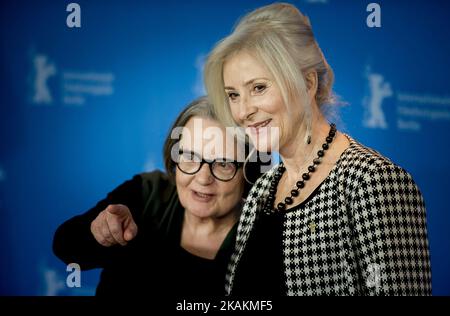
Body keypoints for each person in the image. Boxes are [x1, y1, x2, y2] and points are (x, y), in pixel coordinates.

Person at [204, 3, 432, 296]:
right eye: (233, 95)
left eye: (259, 88)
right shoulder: (261, 192)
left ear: (308, 82)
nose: (244, 110)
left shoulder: (373, 181)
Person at [53, 97, 262, 296]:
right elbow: (66, 247)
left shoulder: (266, 238)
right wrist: (99, 233)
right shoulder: (147, 193)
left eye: (223, 164)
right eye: (190, 157)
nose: (203, 178)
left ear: (248, 173)